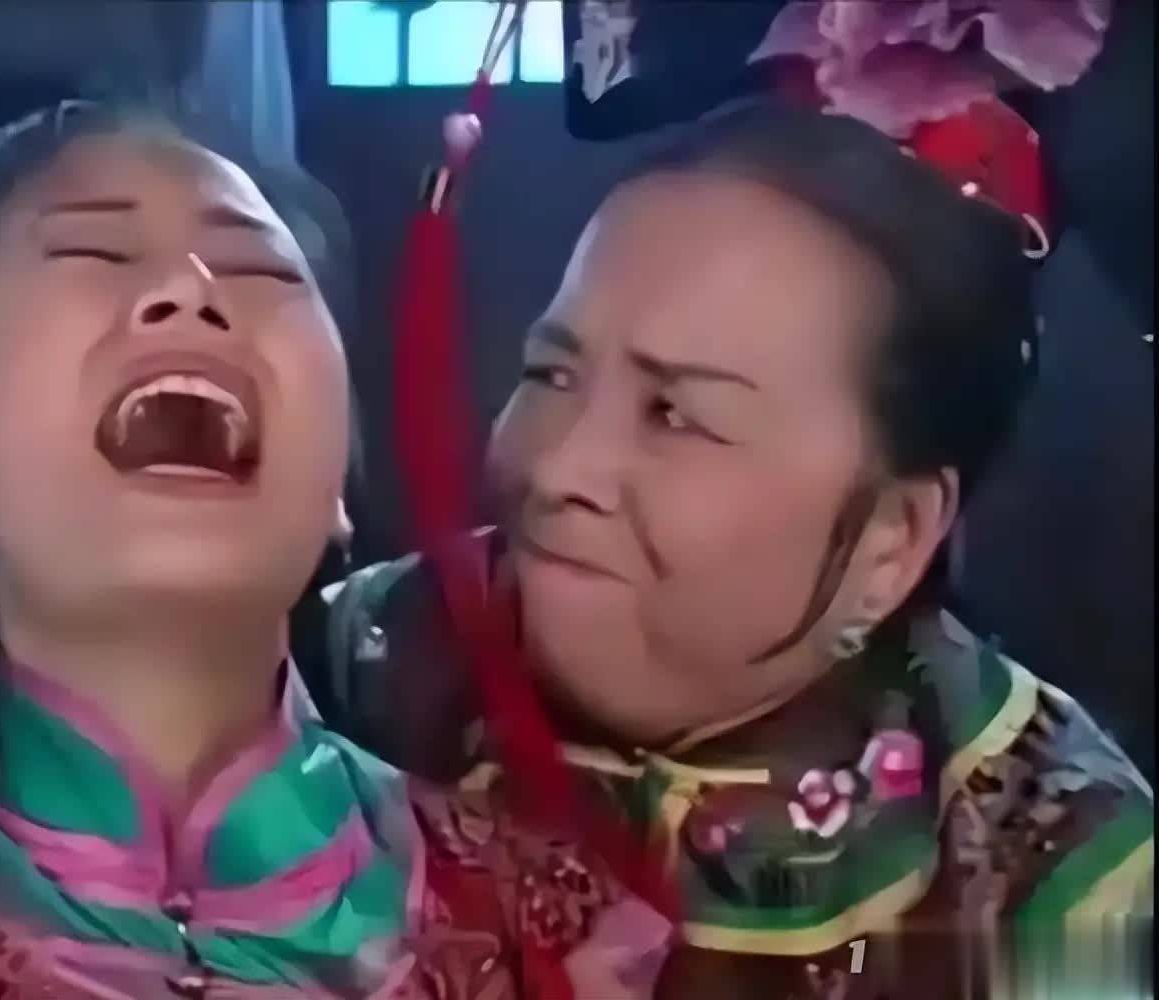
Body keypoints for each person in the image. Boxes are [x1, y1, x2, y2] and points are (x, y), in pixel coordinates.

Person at [306, 103, 1153, 999]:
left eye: (677, 415)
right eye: (552, 374)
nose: (558, 469)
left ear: (893, 536)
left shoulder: (1058, 876)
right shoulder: (348, 662)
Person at [0, 101, 424, 999]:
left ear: (337, 471)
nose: (190, 287)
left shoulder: (573, 928)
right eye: (93, 252)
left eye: (257, 266)